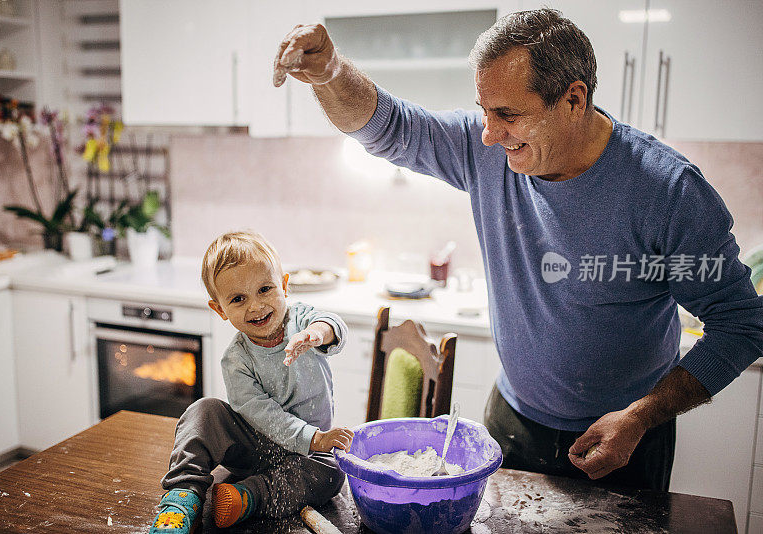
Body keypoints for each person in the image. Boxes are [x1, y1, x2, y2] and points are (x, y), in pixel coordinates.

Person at [271, 9, 763, 491]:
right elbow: (389, 126)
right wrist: (330, 72)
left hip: (626, 439)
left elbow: (742, 324)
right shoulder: (486, 149)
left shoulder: (667, 192)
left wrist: (640, 416)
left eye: (507, 114)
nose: (488, 133)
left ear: (574, 99)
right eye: (484, 111)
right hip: (511, 420)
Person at [148, 230, 352, 533]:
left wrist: (318, 333)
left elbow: (334, 325)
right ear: (220, 309)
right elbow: (262, 415)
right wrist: (315, 438)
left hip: (307, 456)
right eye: (238, 299)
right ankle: (182, 496)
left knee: (333, 472)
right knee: (203, 411)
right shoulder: (236, 360)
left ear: (284, 285)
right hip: (255, 450)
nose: (256, 306)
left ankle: (247, 497)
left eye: (265, 289)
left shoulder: (301, 320)